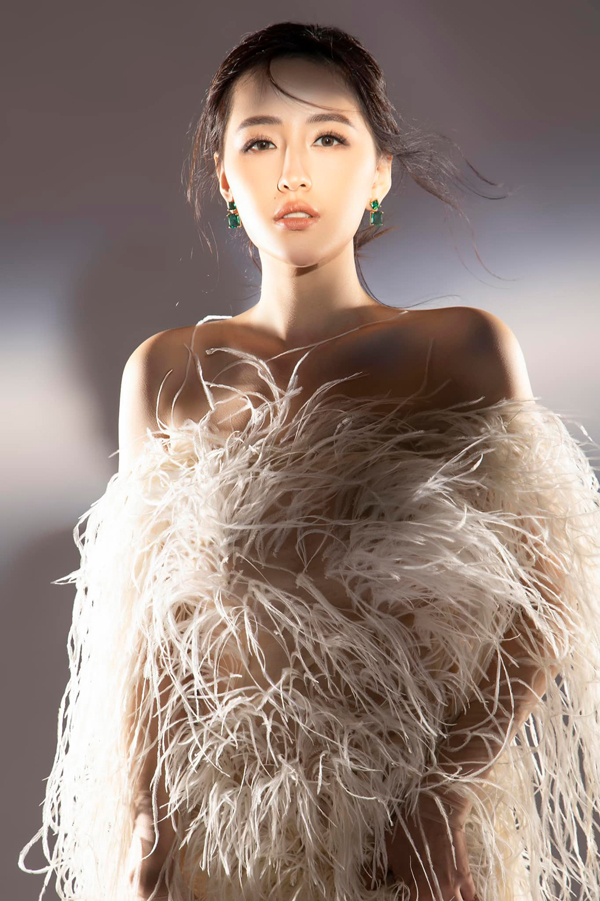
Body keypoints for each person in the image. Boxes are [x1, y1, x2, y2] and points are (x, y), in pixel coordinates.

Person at [18, 21, 600, 901]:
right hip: (222, 838)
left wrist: (440, 791)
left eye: (328, 137)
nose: (294, 172)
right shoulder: (168, 373)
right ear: (225, 178)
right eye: (261, 143)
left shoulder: (456, 350)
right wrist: (148, 823)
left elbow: (547, 598)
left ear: (379, 172)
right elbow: (145, 628)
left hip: (399, 833)